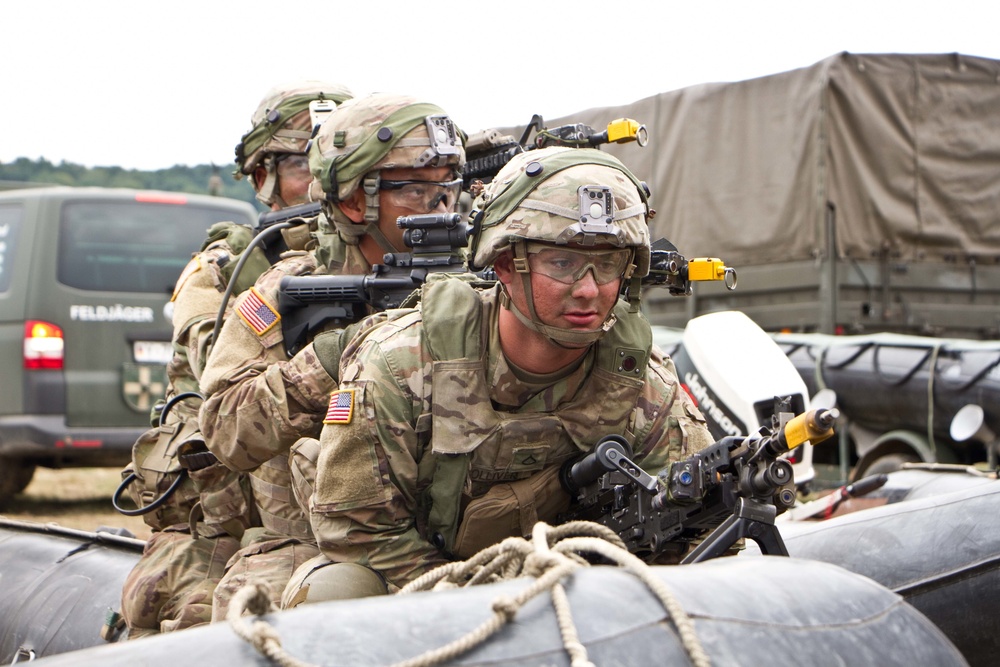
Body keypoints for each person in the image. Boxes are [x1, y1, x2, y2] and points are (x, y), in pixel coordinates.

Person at [284, 145, 715, 602]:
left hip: (577, 595)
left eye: (608, 264)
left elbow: (695, 536)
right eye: (563, 263)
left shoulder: (642, 382)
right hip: (421, 592)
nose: (589, 290)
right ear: (506, 265)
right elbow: (359, 534)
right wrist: (488, 602)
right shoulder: (402, 363)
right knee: (335, 589)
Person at [197, 92, 466, 618]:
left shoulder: (477, 279)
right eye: (414, 188)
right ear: (353, 202)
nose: (440, 208)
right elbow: (224, 429)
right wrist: (333, 358)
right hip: (316, 542)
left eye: (446, 188)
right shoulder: (290, 290)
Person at [117, 80, 352, 638]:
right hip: (231, 515)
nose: (322, 180)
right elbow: (216, 359)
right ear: (262, 177)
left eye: (337, 162)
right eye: (303, 163)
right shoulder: (226, 268)